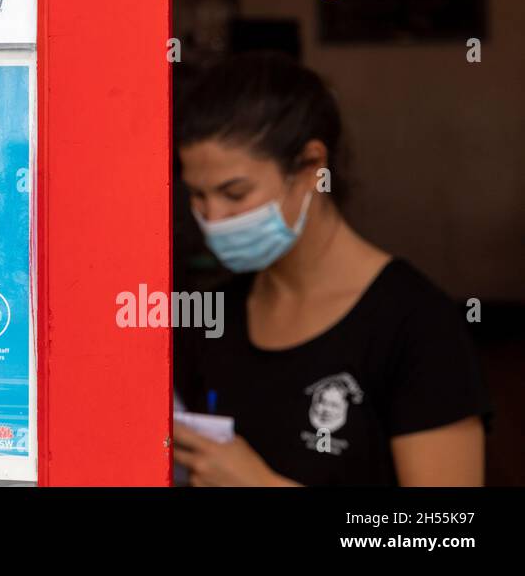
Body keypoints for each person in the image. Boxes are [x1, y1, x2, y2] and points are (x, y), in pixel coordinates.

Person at [172, 52, 490, 486]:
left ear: (310, 168)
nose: (213, 217)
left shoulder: (418, 326)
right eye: (198, 195)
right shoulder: (214, 314)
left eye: (234, 193)